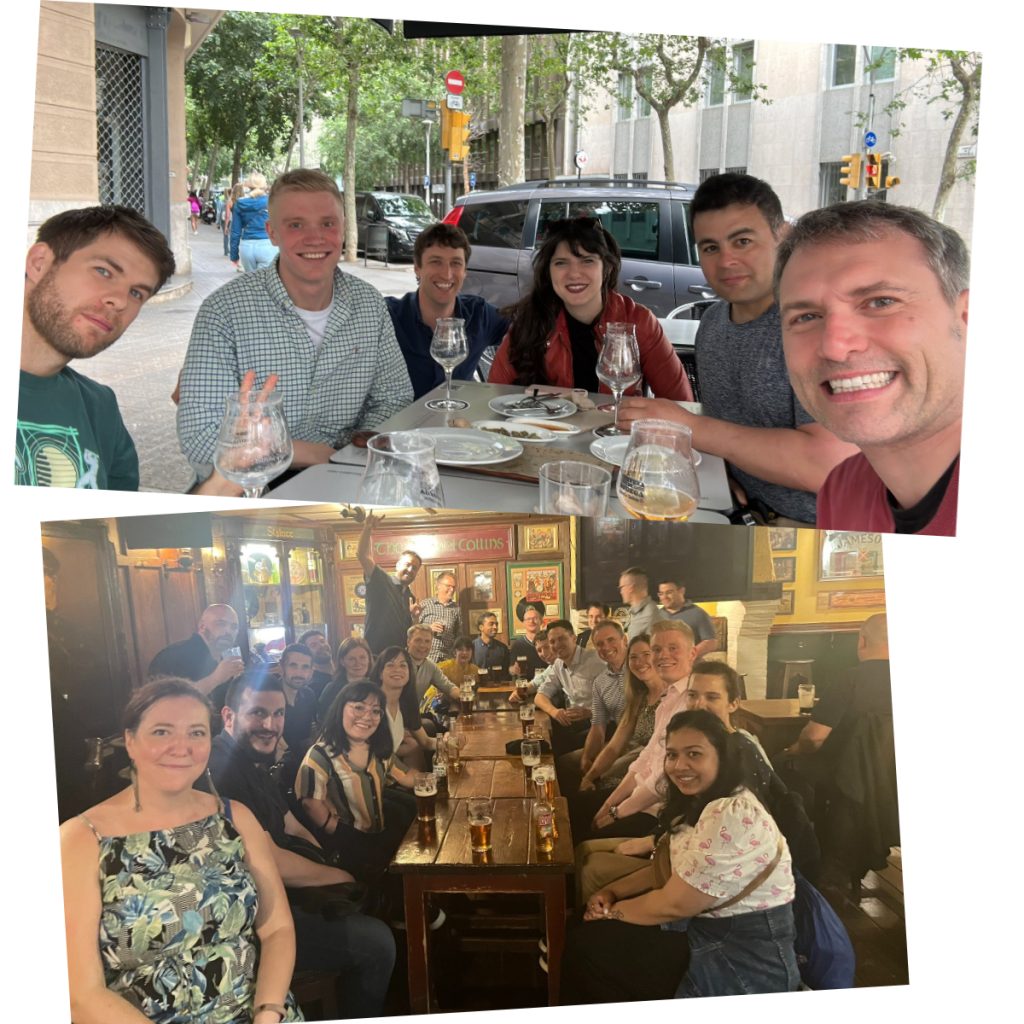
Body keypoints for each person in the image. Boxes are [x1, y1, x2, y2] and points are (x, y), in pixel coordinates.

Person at [59, 678, 303, 1023]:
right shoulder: (81, 840)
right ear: (130, 740)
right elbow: (80, 996)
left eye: (196, 733)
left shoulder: (234, 816)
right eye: (162, 732)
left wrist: (269, 1010)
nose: (181, 746)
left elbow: (277, 928)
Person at [618, 173, 856, 524]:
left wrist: (688, 427)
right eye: (711, 247)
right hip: (731, 508)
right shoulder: (713, 324)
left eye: (743, 241)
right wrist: (719, 470)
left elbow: (828, 465)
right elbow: (730, 432)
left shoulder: (817, 328)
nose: (726, 261)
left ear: (783, 236)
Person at [178, 169, 414, 485]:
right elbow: (200, 439)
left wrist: (351, 452)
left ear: (343, 229)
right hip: (249, 486)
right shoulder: (224, 311)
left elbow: (395, 398)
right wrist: (311, 453)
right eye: (296, 225)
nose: (315, 238)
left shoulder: (369, 304)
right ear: (272, 232)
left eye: (328, 224)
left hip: (345, 475)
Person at [560, 709, 799, 1003]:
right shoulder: (698, 801)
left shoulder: (731, 814)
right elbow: (668, 870)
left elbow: (673, 904)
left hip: (741, 959)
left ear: (721, 757)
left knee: (584, 948)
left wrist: (610, 913)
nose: (679, 765)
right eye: (672, 755)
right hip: (702, 927)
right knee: (578, 932)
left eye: (694, 754)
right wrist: (611, 892)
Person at [206, 673, 395, 1018]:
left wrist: (325, 861)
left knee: (374, 887)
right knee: (377, 943)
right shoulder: (223, 770)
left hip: (283, 888)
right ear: (228, 716)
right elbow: (271, 862)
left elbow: (290, 823)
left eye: (278, 714)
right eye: (257, 713)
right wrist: (338, 874)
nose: (270, 724)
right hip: (256, 917)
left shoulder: (250, 760)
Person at [776, 203, 968, 535]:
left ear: (966, 319)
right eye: (806, 317)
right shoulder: (842, 490)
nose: (835, 346)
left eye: (881, 302)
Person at [488, 217, 694, 402]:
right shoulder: (530, 319)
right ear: (548, 272)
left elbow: (681, 404)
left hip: (616, 438)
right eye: (561, 263)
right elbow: (495, 394)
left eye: (587, 261)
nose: (574, 273)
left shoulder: (638, 321)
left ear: (607, 269)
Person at [576, 620, 696, 841]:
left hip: (660, 808)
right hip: (639, 787)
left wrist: (615, 811)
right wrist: (607, 803)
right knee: (571, 806)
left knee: (579, 826)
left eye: (672, 648)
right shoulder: (661, 699)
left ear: (693, 653)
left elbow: (661, 779)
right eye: (658, 650)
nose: (661, 656)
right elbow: (641, 756)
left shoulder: (693, 701)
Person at [295, 680, 416, 884]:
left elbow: (407, 777)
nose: (367, 716)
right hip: (347, 850)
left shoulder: (377, 750)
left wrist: (440, 776)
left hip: (379, 838)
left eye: (376, 711)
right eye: (358, 707)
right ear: (341, 708)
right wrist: (343, 834)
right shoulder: (320, 754)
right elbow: (310, 803)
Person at [385, 223, 508, 397]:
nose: (447, 274)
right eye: (436, 262)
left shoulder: (478, 314)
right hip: (401, 421)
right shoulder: (388, 316)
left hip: (458, 420)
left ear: (465, 271)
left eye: (456, 263)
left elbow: (530, 327)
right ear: (417, 267)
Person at [785, 613, 890, 759]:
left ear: (862, 642)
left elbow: (813, 738)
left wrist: (796, 749)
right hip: (889, 778)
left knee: (778, 763)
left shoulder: (850, 680)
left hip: (848, 775)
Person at [578, 633, 665, 794]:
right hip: (636, 766)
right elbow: (614, 746)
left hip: (654, 778)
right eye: (633, 657)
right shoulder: (639, 698)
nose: (639, 662)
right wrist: (588, 777)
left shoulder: (671, 696)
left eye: (646, 654)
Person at [558, 620, 630, 794]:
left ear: (625, 640)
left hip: (638, 746)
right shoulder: (601, 681)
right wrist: (586, 756)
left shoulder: (639, 669)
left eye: (611, 640)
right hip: (617, 742)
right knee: (564, 764)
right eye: (600, 644)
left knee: (603, 776)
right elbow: (598, 727)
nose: (606, 647)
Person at [519, 620, 604, 757]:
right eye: (552, 642)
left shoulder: (596, 662)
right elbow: (540, 696)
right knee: (538, 741)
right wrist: (555, 712)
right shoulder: (558, 664)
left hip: (600, 725)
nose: (557, 645)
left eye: (562, 639)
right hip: (575, 724)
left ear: (573, 638)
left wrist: (589, 712)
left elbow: (617, 705)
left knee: (551, 751)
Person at [148, 603, 246, 702]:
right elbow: (164, 703)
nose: (228, 631)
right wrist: (215, 678)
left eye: (234, 627)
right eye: (220, 624)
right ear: (202, 627)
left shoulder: (226, 658)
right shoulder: (172, 657)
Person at [357, 512, 422, 654]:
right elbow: (363, 555)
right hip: (375, 655)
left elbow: (411, 633)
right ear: (398, 564)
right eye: (408, 564)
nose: (410, 570)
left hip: (399, 656)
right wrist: (367, 528)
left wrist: (414, 618)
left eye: (415, 568)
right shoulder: (380, 580)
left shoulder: (410, 597)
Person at [370, 646, 438, 771]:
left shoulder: (404, 704)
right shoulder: (371, 706)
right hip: (373, 778)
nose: (397, 670)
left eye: (403, 666)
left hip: (387, 772)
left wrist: (450, 742)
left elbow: (426, 742)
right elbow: (373, 757)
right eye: (390, 665)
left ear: (409, 672)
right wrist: (409, 778)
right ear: (380, 673)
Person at [657, 577, 718, 658]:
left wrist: (688, 657)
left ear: (681, 591)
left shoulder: (698, 613)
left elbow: (711, 642)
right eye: (661, 594)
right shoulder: (656, 615)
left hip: (690, 667)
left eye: (669, 592)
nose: (664, 597)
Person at [316, 637, 373, 723]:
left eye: (362, 658)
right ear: (342, 662)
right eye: (351, 659)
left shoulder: (377, 686)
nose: (358, 663)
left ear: (369, 659)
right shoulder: (332, 689)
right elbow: (323, 720)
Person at [230, 172, 277, 272]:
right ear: (264, 185)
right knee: (266, 284)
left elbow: (235, 232)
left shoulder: (240, 203)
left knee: (252, 284)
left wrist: (234, 256)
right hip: (267, 246)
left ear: (248, 185)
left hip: (246, 248)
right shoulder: (272, 201)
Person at [406, 624, 460, 704]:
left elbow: (449, 688)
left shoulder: (430, 666)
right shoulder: (397, 662)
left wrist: (467, 696)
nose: (422, 645)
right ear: (408, 642)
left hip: (414, 714)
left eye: (427, 641)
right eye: (418, 640)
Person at [417, 570, 462, 662]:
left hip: (447, 659)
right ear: (438, 585)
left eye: (454, 587)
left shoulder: (456, 609)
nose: (452, 589)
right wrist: (428, 628)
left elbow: (459, 635)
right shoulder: (425, 604)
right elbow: (412, 630)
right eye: (448, 586)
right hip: (426, 658)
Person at [619, 567, 665, 640]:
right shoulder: (633, 613)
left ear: (631, 588)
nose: (621, 592)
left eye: (622, 587)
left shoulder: (650, 615)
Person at [509, 600, 548, 676]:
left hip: (548, 683)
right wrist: (513, 670)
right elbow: (511, 669)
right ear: (523, 622)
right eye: (528, 619)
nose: (531, 621)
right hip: (525, 684)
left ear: (541, 621)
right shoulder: (518, 645)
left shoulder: (548, 641)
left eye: (535, 618)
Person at [297, 628, 333, 700]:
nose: (321, 646)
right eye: (313, 645)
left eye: (322, 641)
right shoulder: (314, 685)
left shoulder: (343, 671)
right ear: (306, 654)